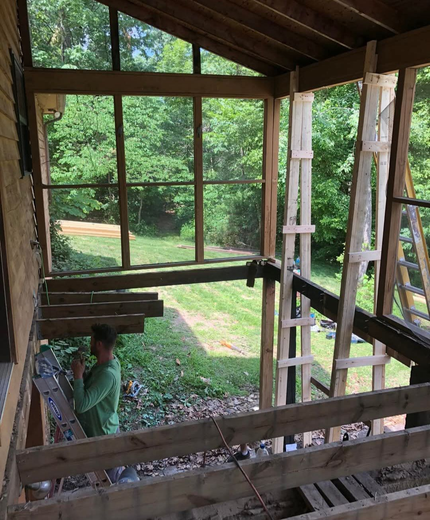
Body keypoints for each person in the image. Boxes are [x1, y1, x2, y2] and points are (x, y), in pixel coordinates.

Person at [71, 323, 123, 483]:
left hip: (104, 438)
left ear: (99, 344)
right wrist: (84, 374)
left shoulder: (108, 374)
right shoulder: (105, 364)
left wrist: (78, 376)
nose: (89, 344)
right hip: (100, 433)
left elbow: (81, 405)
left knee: (111, 481)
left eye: (91, 341)